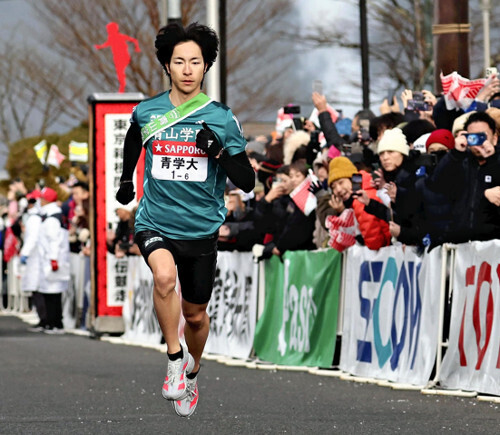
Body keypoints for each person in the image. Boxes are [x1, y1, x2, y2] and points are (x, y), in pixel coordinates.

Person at [115, 22, 254, 418]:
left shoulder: (221, 118)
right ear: (167, 65)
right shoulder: (148, 111)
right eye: (180, 61)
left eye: (196, 61)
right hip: (155, 219)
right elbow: (133, 137)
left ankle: (192, 371)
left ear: (206, 66)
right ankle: (174, 359)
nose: (188, 69)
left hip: (201, 227)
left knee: (195, 315)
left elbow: (246, 181)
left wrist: (219, 154)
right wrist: (127, 180)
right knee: (162, 278)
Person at [38, 187, 71, 334]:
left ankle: (56, 323)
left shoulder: (52, 219)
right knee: (50, 292)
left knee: (53, 293)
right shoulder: (52, 215)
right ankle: (52, 322)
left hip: (54, 260)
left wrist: (53, 259)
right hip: (51, 259)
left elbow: (54, 241)